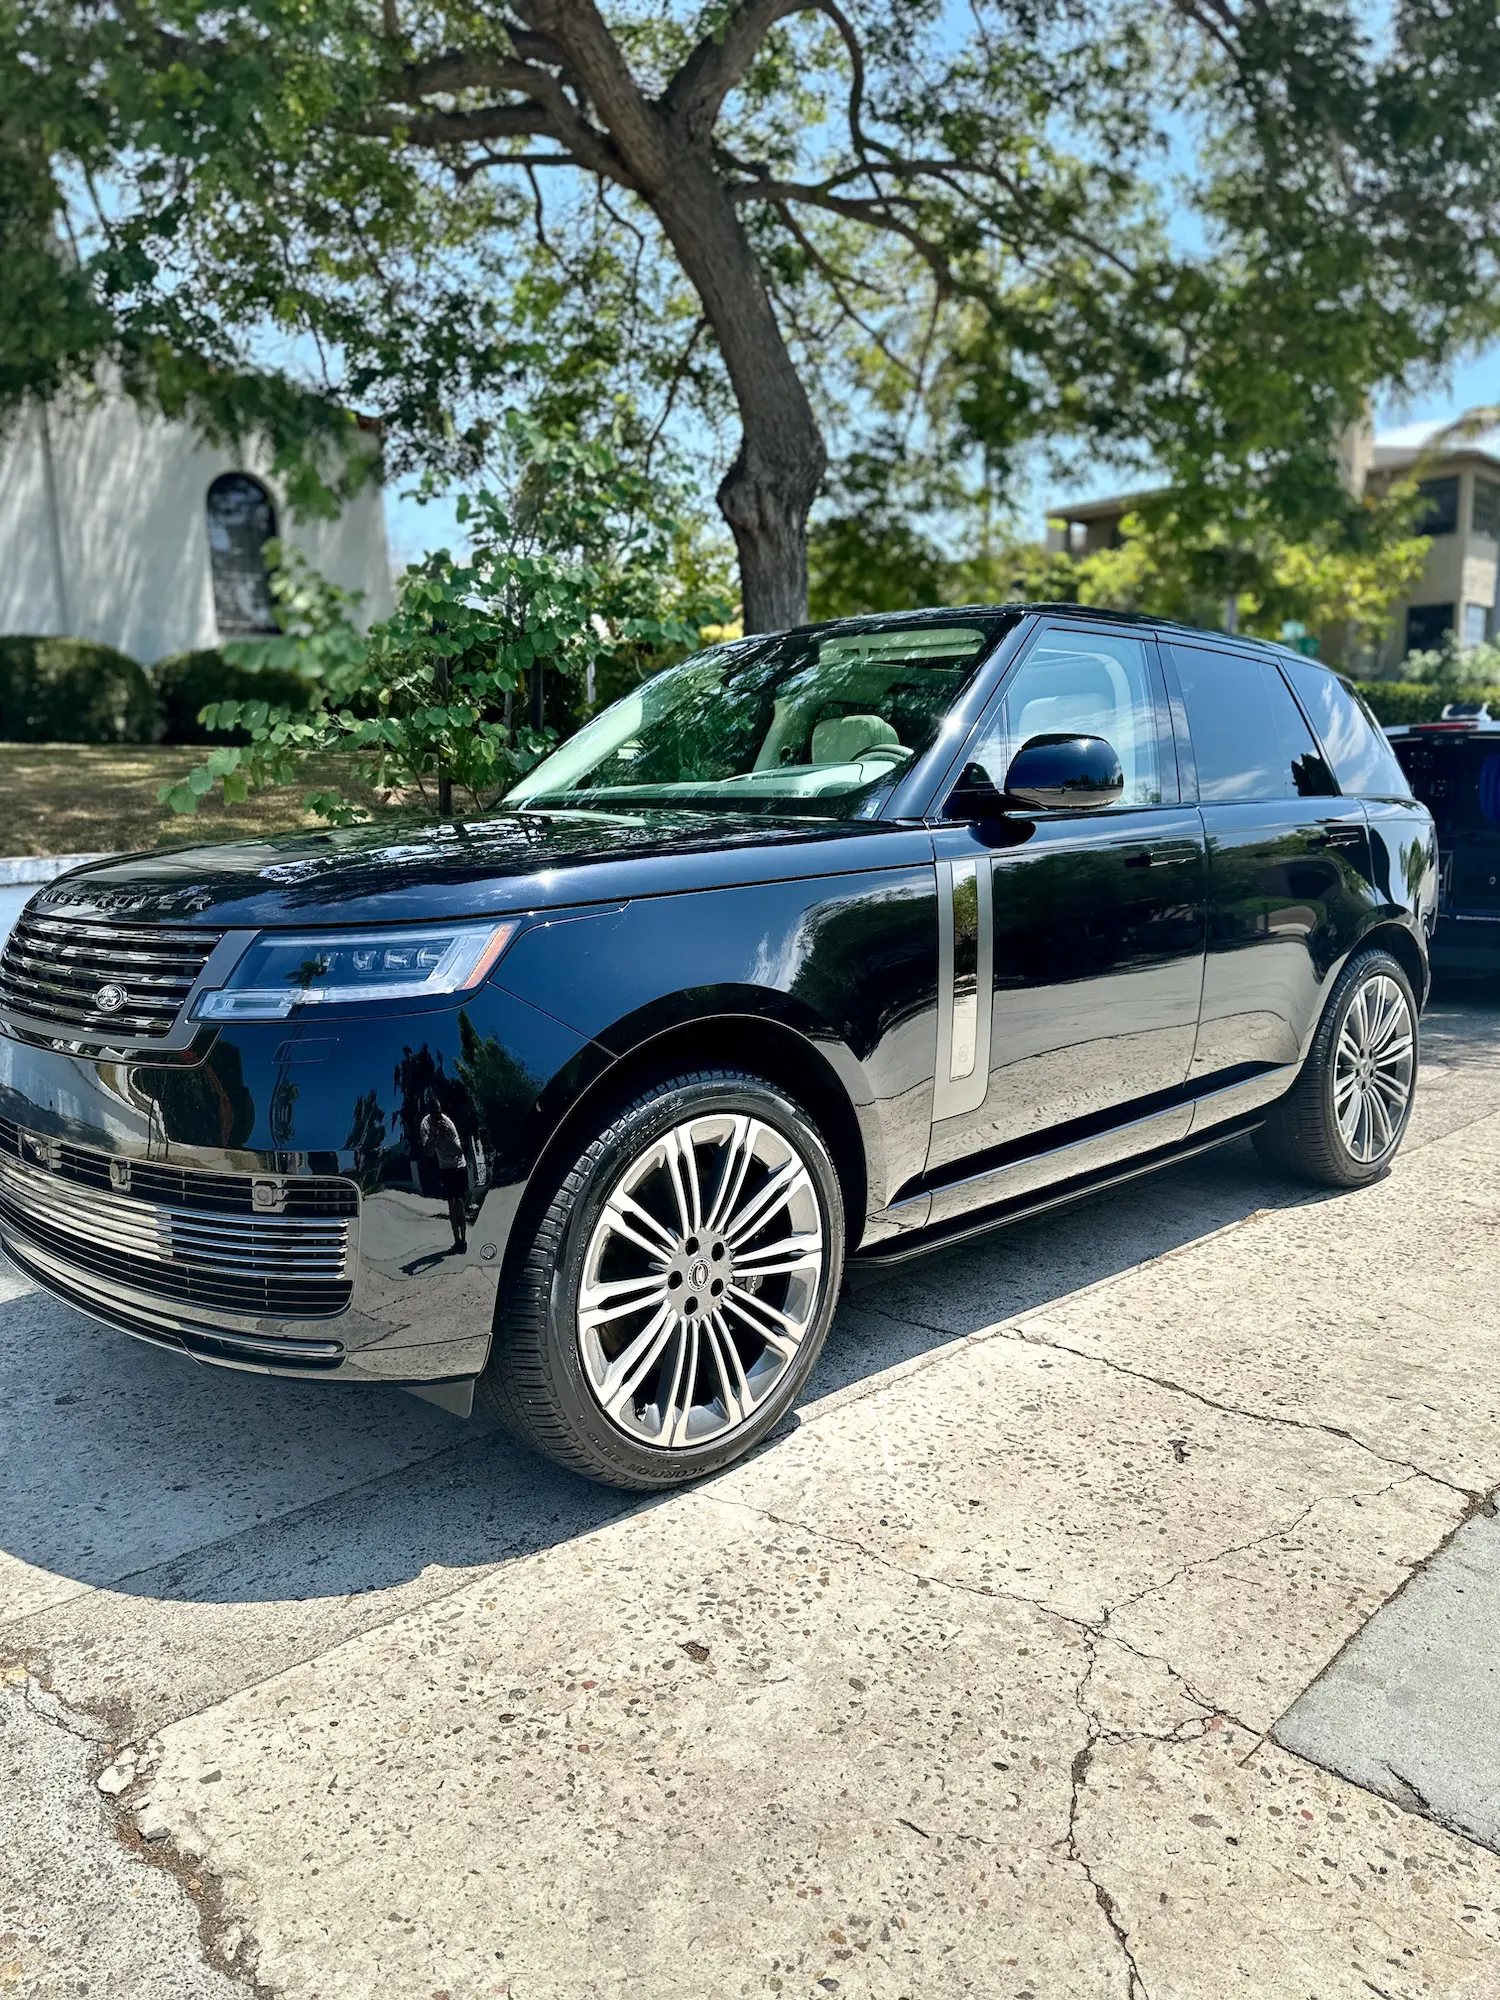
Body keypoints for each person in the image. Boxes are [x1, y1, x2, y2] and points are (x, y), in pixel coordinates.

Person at [419, 1104, 470, 1253]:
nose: (438, 1117)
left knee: (460, 1203)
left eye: (439, 1113)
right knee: (451, 1205)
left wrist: (447, 1138)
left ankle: (464, 1239)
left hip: (459, 1166)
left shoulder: (448, 1124)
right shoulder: (426, 1124)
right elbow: (428, 1153)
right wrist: (434, 1136)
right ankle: (457, 1240)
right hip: (444, 1168)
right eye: (435, 1114)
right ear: (430, 1113)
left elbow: (459, 1151)